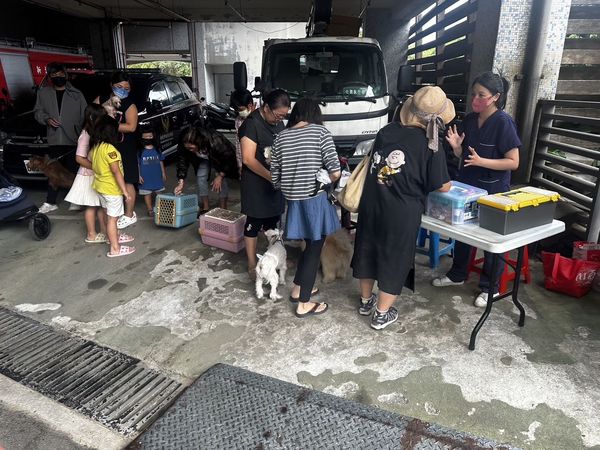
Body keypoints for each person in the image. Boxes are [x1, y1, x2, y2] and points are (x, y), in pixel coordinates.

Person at [352, 86, 454, 330]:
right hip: (401, 211)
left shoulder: (387, 131)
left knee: (367, 248)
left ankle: (366, 302)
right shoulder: (431, 144)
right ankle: (381, 314)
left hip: (372, 202)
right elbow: (442, 185)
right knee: (394, 258)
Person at [432, 72, 521, 308]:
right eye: (474, 94)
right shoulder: (470, 120)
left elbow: (513, 162)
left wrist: (484, 162)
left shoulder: (503, 122)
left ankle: (490, 287)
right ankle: (457, 274)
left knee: (492, 239)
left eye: (482, 95)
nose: (476, 99)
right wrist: (458, 149)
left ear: (495, 97)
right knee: (464, 232)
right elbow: (467, 157)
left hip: (494, 190)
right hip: (469, 186)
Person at [271, 98, 340, 317]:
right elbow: (335, 171)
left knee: (310, 245)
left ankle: (298, 289)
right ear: (314, 114)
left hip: (293, 202)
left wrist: (292, 188)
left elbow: (275, 178)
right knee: (314, 247)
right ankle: (304, 303)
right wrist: (326, 179)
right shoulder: (320, 133)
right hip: (314, 201)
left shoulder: (280, 137)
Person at [238, 89, 290, 280]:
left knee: (273, 221)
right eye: (278, 115)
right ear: (266, 107)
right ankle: (252, 263)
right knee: (254, 222)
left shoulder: (278, 123)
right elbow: (248, 159)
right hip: (256, 183)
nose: (280, 120)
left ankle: (274, 258)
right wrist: (271, 177)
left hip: (273, 182)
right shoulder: (251, 125)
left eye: (284, 116)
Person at [34, 62, 87, 214]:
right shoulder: (43, 93)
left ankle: (76, 201)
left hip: (74, 139)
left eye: (60, 74)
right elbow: (37, 112)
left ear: (66, 75)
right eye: (54, 75)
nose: (58, 77)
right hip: (55, 139)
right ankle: (51, 202)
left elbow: (85, 116)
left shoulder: (77, 95)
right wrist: (46, 119)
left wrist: (83, 135)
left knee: (74, 171)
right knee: (53, 171)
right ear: (49, 77)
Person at [95, 71, 139, 229]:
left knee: (127, 180)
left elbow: (131, 127)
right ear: (111, 85)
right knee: (109, 179)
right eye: (119, 87)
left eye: (126, 88)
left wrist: (110, 126)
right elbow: (91, 116)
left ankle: (129, 215)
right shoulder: (100, 100)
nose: (123, 90)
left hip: (124, 148)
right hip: (105, 147)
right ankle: (114, 212)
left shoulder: (130, 105)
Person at [90, 115, 135, 258]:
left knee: (107, 213)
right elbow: (116, 172)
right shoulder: (110, 150)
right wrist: (125, 192)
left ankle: (113, 237)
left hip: (100, 187)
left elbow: (91, 160)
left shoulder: (96, 147)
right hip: (111, 189)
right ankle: (115, 248)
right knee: (112, 219)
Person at [65, 104, 108, 243]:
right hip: (88, 175)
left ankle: (104, 232)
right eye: (101, 117)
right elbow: (79, 158)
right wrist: (97, 167)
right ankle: (91, 234)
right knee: (91, 206)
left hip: (95, 174)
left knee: (101, 205)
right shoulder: (85, 135)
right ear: (91, 117)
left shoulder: (94, 132)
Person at [174, 124, 238, 212]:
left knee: (220, 182)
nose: (190, 150)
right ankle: (205, 208)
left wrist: (220, 176)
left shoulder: (215, 140)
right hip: (203, 158)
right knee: (201, 177)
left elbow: (228, 158)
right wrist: (181, 181)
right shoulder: (184, 143)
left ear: (198, 142)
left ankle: (223, 209)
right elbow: (182, 160)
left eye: (191, 148)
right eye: (187, 148)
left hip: (220, 159)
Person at [138, 128, 166, 217]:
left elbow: (161, 161)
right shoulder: (140, 151)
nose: (148, 138)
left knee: (159, 192)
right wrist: (138, 175)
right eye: (146, 137)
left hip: (156, 175)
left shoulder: (157, 149)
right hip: (145, 176)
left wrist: (163, 173)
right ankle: (150, 209)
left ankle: (161, 208)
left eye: (150, 136)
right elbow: (137, 164)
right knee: (147, 193)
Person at [230, 89, 255, 174]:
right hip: (245, 162)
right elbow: (238, 144)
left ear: (250, 105)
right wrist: (240, 164)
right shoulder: (238, 121)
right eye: (236, 110)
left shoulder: (260, 118)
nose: (239, 112)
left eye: (240, 109)